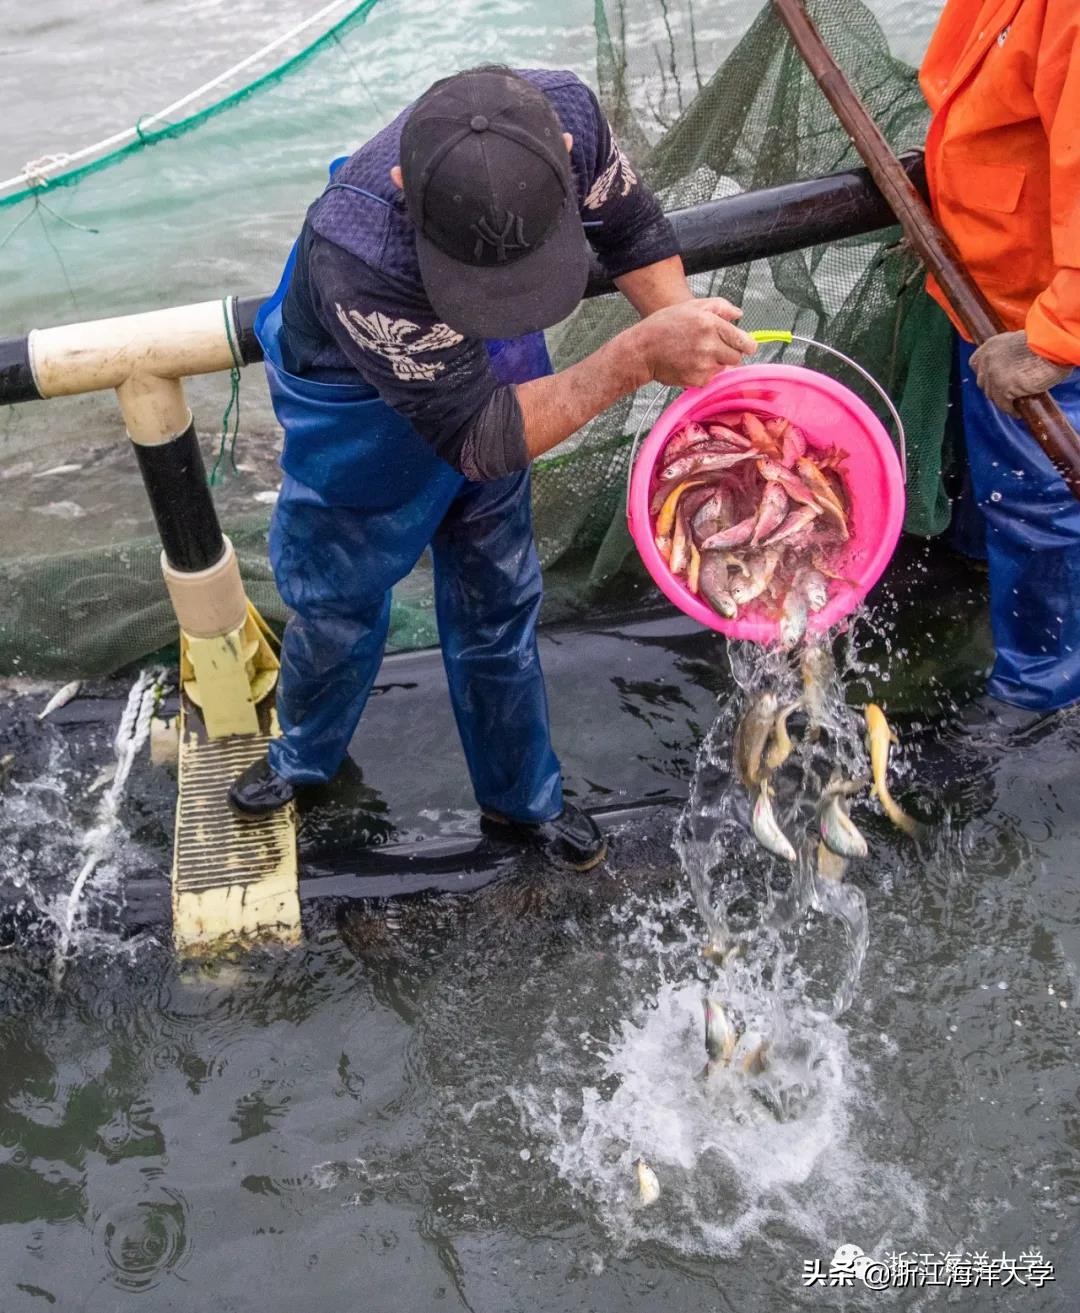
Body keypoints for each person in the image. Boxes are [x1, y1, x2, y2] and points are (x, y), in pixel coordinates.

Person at [228, 65, 755, 867]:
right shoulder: (356, 247)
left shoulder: (566, 114)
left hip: (497, 385)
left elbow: (631, 227)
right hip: (357, 407)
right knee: (337, 605)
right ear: (404, 184)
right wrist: (638, 357)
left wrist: (689, 336)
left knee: (499, 594)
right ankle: (302, 756)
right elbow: (476, 437)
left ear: (568, 149)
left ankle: (521, 801)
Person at [920, 0, 1080, 729]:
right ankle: (978, 560)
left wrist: (1055, 338)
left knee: (1039, 504)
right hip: (985, 283)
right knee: (999, 491)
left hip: (1039, 316)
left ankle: (1042, 692)